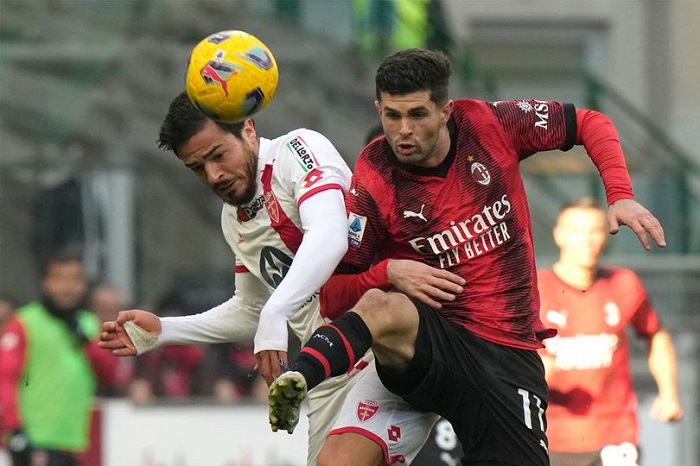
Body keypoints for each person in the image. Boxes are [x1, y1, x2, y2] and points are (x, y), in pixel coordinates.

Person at [267, 48, 667, 466]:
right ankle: (299, 378)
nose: (404, 130)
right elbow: (333, 296)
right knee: (379, 312)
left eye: (417, 114)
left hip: (504, 350)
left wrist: (620, 195)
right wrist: (389, 271)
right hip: (428, 344)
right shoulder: (374, 175)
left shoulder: (492, 125)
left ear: (446, 111)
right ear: (378, 110)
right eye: (392, 116)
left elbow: (589, 122)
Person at [98, 91, 443, 465]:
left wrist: (274, 314)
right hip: (327, 375)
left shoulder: (297, 151)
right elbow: (251, 309)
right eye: (197, 168)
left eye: (218, 155)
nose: (213, 175)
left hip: (382, 347)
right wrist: (164, 331)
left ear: (248, 130)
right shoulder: (233, 220)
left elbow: (330, 233)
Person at [537, 197, 683, 466]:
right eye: (578, 231)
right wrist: (534, 370)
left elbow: (656, 334)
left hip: (615, 435)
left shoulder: (623, 283)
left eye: (595, 231)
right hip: (552, 436)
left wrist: (668, 393)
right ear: (559, 235)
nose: (587, 240)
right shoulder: (535, 290)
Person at [0, 247, 118, 466]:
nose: (68, 287)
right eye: (60, 279)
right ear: (46, 283)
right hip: (35, 439)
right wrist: (14, 430)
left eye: (75, 279)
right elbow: (5, 378)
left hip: (72, 441)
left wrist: (86, 342)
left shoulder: (88, 324)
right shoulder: (25, 322)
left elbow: (110, 373)